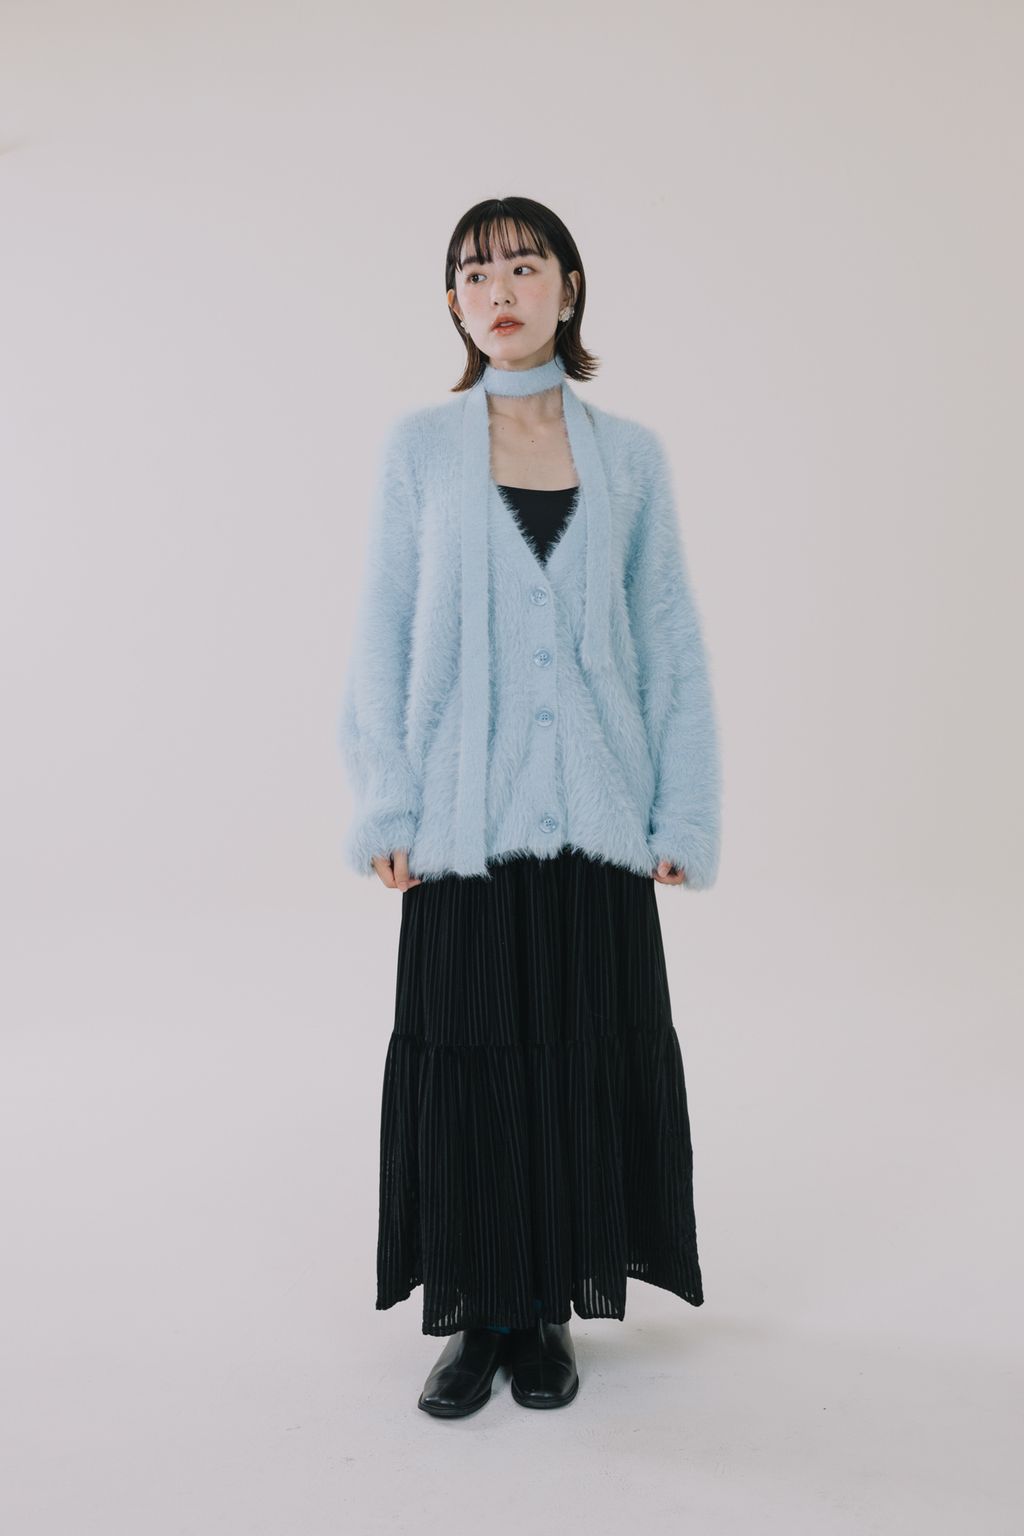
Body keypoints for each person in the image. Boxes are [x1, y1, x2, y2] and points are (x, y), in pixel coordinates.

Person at [339, 196, 722, 1419]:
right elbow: (382, 633)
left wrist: (679, 815)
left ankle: (546, 1309)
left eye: (522, 264)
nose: (497, 289)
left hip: (597, 820)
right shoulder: (419, 449)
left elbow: (667, 641)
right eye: (473, 272)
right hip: (461, 825)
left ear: (569, 285)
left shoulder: (630, 456)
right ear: (452, 304)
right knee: (468, 1065)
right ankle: (478, 1314)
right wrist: (386, 802)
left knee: (573, 1061)